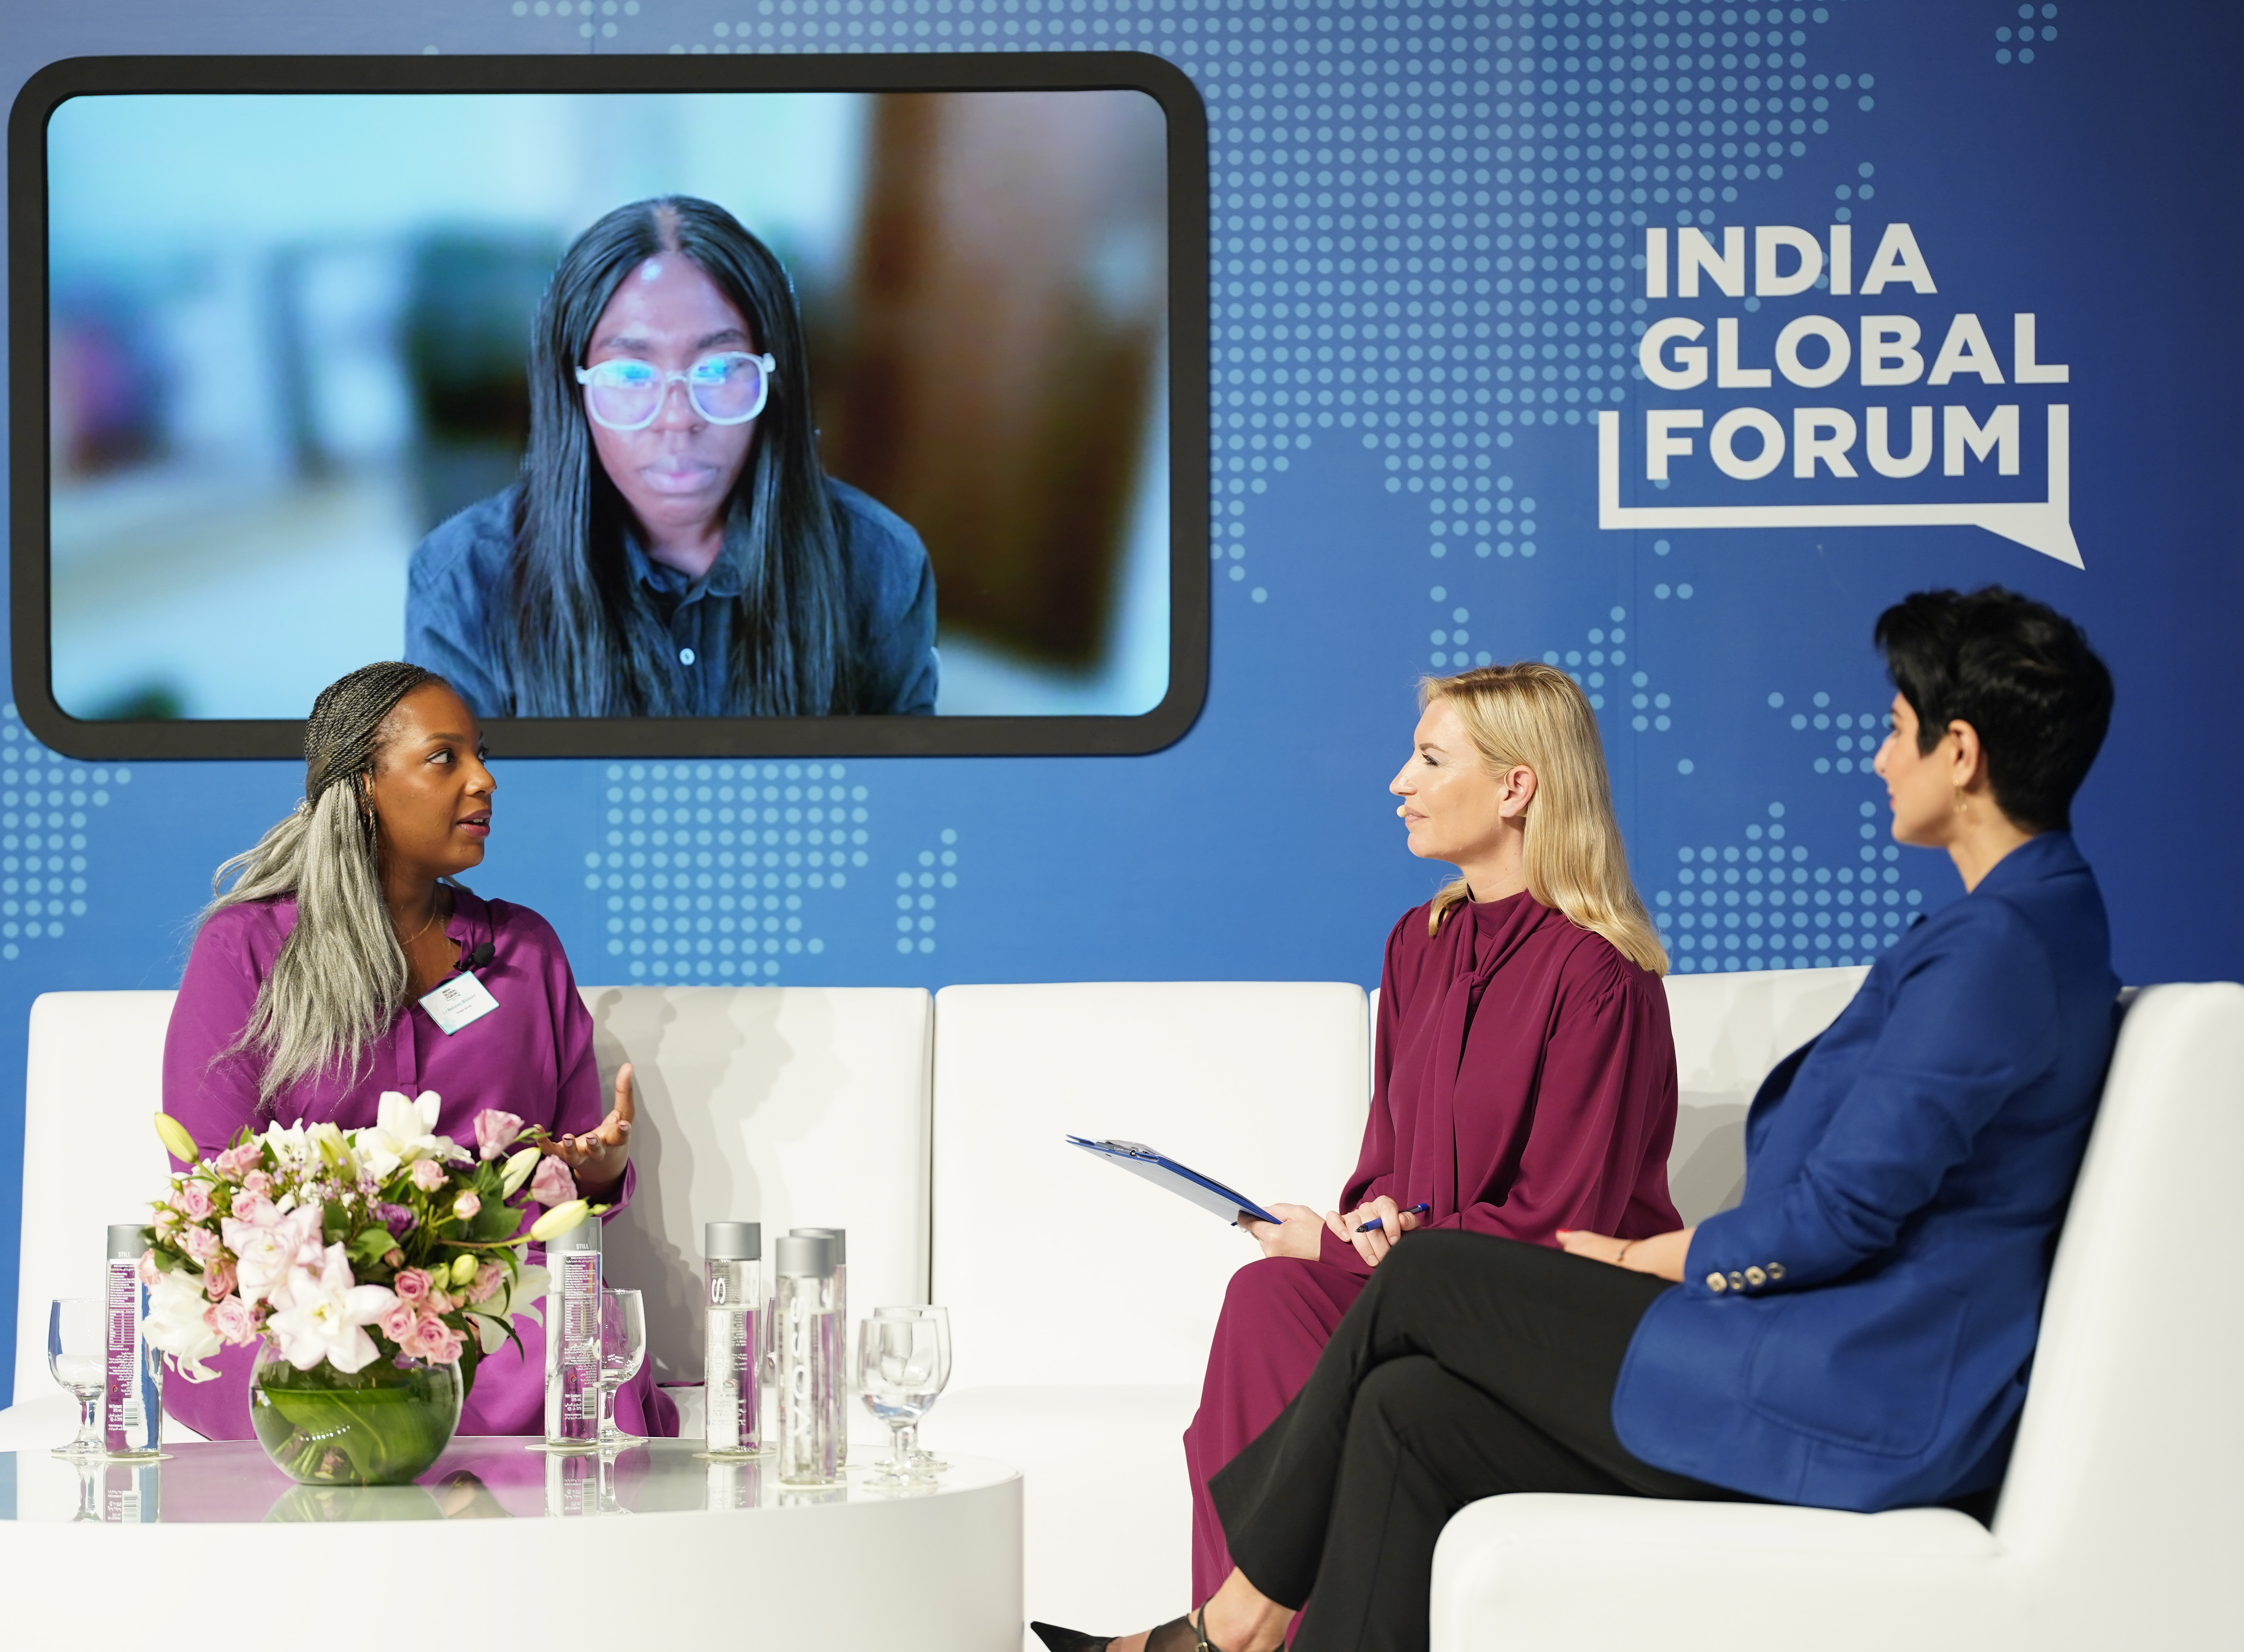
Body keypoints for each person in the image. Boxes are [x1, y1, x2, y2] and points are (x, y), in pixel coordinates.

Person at [1044, 587, 2119, 1652]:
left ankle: (1230, 1626)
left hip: (1849, 1387)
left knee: (1421, 1283)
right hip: (1807, 1347)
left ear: (1958, 753)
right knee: (1400, 1404)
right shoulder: (2021, 927)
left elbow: (1837, 1214)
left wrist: (1652, 1257)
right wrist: (1366, 1220)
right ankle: (1241, 1624)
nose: (1878, 757)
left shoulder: (1995, 949)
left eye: (1893, 728)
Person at [1177, 662, 1683, 1609]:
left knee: (1290, 1292)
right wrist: (1366, 1220)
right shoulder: (1419, 942)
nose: (1399, 782)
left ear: (1516, 786)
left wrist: (1343, 1249)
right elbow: (1387, 1165)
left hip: (1551, 1321)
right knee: (1265, 1299)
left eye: (1429, 759)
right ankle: (1243, 1624)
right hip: (1419, 1289)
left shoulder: (1602, 976)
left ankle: (1253, 1627)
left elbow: (1558, 1227)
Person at [161, 661, 678, 1440]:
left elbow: (565, 1178)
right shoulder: (246, 947)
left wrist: (597, 1170)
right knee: (299, 1364)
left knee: (567, 1343)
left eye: (481, 754)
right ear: (363, 785)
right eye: (445, 757)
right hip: (302, 1302)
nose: (484, 780)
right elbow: (211, 1170)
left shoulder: (525, 950)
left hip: (487, 1308)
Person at [406, 195, 937, 718]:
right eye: (630, 374)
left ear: (774, 381)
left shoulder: (878, 561)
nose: (678, 417)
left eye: (720, 369)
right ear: (573, 390)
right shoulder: (463, 576)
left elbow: (904, 772)